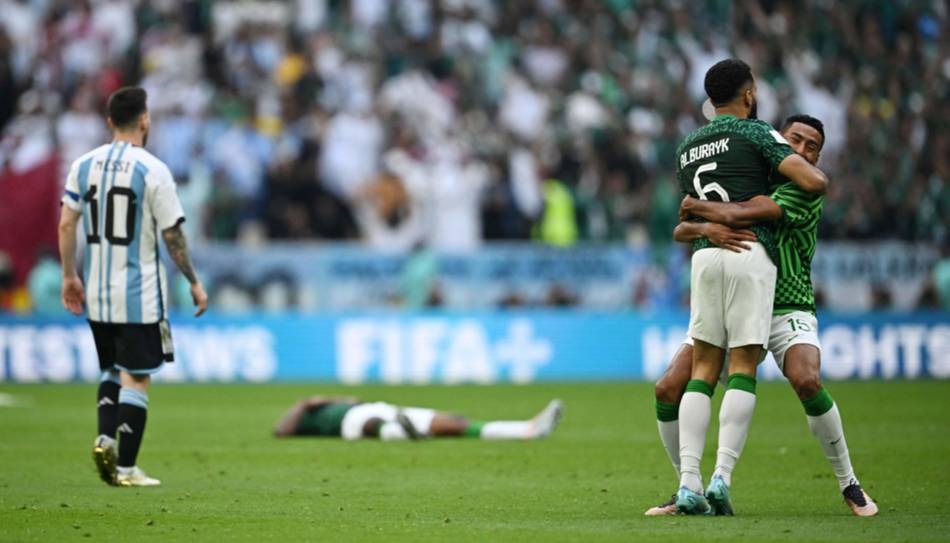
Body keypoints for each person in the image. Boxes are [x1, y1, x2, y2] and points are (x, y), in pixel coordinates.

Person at [645, 114, 877, 517]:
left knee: (807, 380)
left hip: (786, 302)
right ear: (779, 143)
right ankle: (689, 485)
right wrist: (706, 229)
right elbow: (681, 231)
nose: (803, 151)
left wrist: (701, 211)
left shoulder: (803, 189)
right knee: (668, 387)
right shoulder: (754, 176)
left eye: (813, 148)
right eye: (796, 142)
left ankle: (849, 483)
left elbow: (737, 215)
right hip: (733, 298)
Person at [672, 59, 829, 515]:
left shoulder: (687, 146)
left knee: (702, 370)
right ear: (749, 94)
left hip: (703, 258)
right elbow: (813, 181)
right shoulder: (756, 133)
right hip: (749, 252)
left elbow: (687, 219)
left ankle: (688, 484)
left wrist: (708, 223)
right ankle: (721, 477)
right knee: (742, 367)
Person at [58, 86, 209, 487]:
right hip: (139, 293)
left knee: (111, 368)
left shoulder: (83, 165)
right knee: (137, 376)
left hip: (97, 292)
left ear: (109, 122)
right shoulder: (152, 169)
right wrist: (194, 281)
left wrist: (69, 276)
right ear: (145, 120)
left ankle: (105, 440)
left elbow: (66, 223)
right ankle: (125, 469)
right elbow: (172, 235)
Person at [274, 396, 563, 441]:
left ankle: (527, 429)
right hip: (351, 421)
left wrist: (339, 398)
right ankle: (398, 433)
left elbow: (353, 397)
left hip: (384, 407)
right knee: (370, 424)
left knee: (456, 422)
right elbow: (280, 432)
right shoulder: (309, 416)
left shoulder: (334, 402)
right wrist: (303, 404)